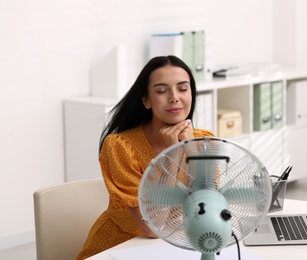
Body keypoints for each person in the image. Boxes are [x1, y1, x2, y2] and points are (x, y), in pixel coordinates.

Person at [76, 55, 214, 259]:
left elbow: (208, 207)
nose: (174, 97)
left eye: (183, 89)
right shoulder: (120, 146)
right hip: (122, 247)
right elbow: (151, 228)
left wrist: (190, 149)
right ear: (146, 100)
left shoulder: (204, 141)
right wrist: (173, 154)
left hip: (177, 245)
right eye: (161, 91)